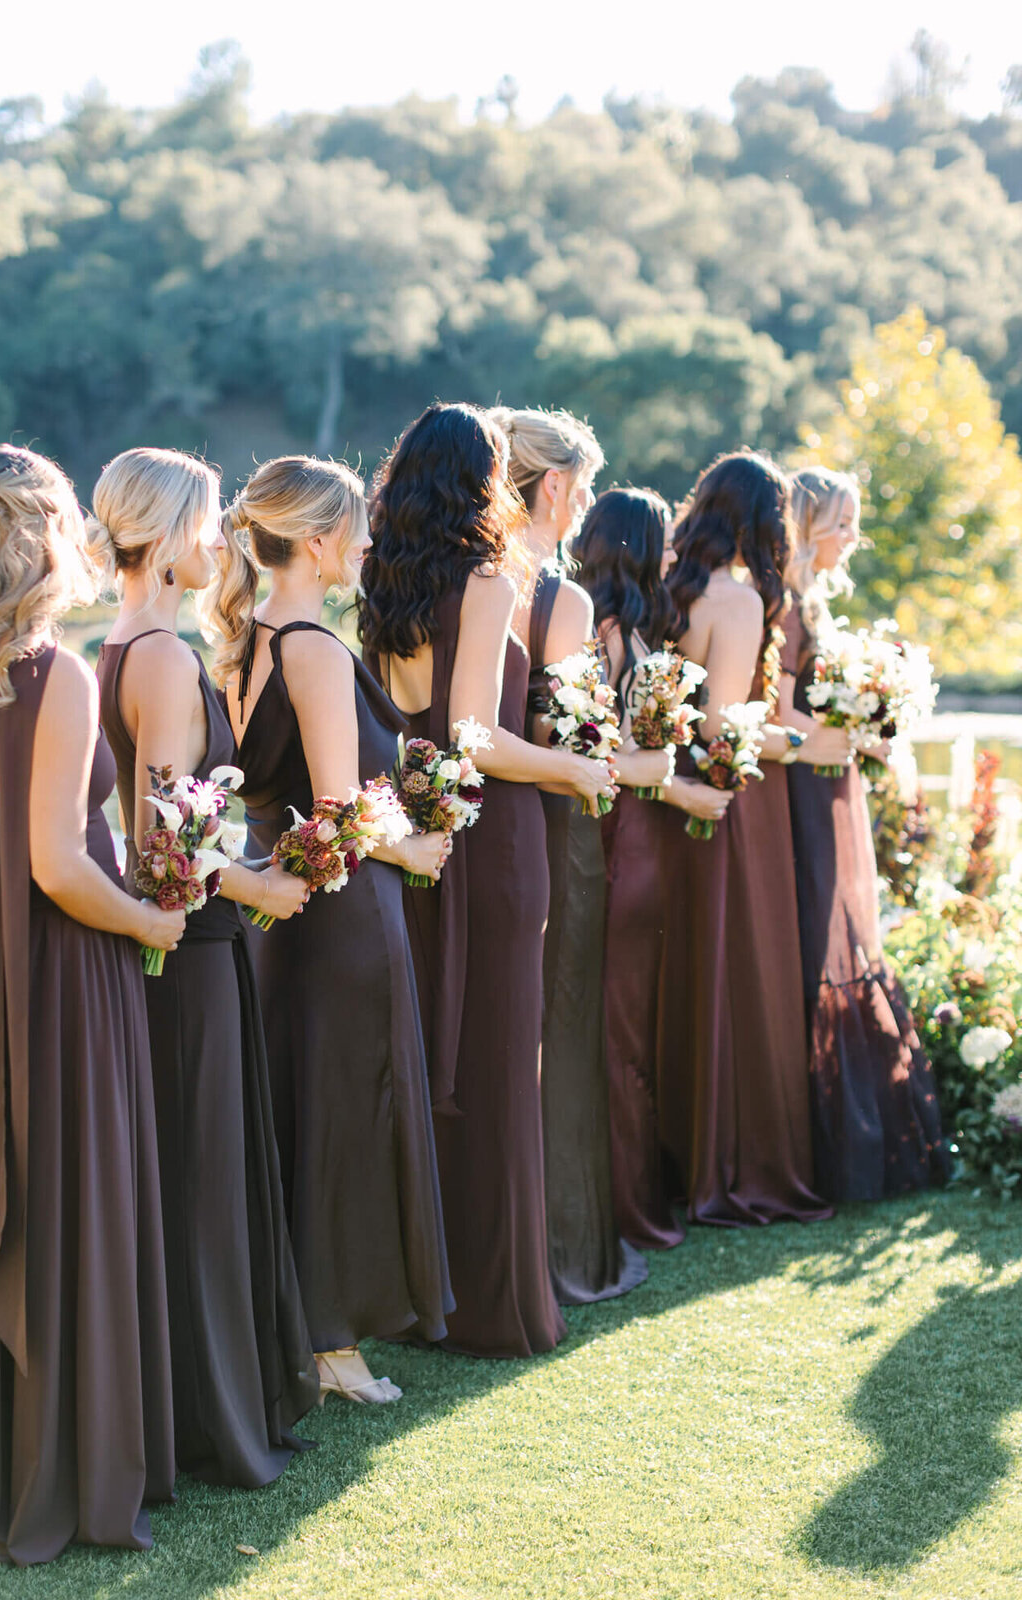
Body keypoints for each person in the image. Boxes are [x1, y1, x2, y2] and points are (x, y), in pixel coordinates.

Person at [0, 444, 182, 1564]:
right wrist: (152, 922)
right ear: (54, 534)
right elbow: (58, 866)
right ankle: (60, 1474)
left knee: (17, 1210)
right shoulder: (54, 672)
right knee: (68, 1213)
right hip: (57, 984)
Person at [360, 402, 615, 1358]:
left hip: (420, 833)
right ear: (477, 479)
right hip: (493, 839)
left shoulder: (385, 583)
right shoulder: (484, 581)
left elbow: (410, 728)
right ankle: (495, 1307)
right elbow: (473, 736)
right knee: (503, 1064)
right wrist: (577, 769)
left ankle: (423, 1291)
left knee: (438, 1055)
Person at [91, 446, 319, 1483]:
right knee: (204, 1177)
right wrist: (264, 885)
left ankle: (202, 1400)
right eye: (209, 521)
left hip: (182, 945)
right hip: (194, 953)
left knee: (196, 1172)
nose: (221, 537)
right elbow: (164, 844)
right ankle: (210, 1417)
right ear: (169, 531)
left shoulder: (121, 641)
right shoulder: (167, 659)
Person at [215, 454, 453, 1404]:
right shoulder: (308, 646)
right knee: (347, 1117)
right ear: (315, 543)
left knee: (302, 1115)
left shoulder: (240, 642)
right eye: (353, 529)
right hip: (341, 912)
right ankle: (332, 1344)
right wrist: (415, 853)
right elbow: (338, 807)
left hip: (282, 911)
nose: (364, 543)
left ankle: (308, 1331)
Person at [489, 407, 654, 1303]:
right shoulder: (559, 600)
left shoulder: (452, 584)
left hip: (469, 836)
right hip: (555, 834)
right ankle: (561, 1245)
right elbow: (570, 741)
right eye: (583, 484)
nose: (586, 503)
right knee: (562, 1030)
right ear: (552, 487)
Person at [659, 450, 845, 1227]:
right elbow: (724, 724)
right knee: (747, 977)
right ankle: (742, 1163)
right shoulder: (735, 599)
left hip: (680, 803)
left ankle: (687, 1152)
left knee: (699, 972)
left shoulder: (676, 583)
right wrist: (812, 745)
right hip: (737, 807)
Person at [782, 466, 948, 1199]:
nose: (853, 538)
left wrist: (869, 723)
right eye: (842, 523)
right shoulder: (783, 605)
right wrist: (841, 731)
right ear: (806, 525)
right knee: (818, 937)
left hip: (833, 782)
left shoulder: (811, 601)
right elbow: (777, 708)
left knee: (848, 935)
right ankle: (816, 1135)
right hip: (801, 789)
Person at [574, 487, 732, 1249]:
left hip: (639, 839)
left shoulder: (628, 635)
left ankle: (633, 1194)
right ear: (635, 548)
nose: (674, 555)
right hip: (617, 842)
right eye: (662, 542)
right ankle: (619, 1205)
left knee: (626, 1022)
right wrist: (670, 777)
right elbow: (595, 754)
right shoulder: (604, 638)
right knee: (616, 1024)